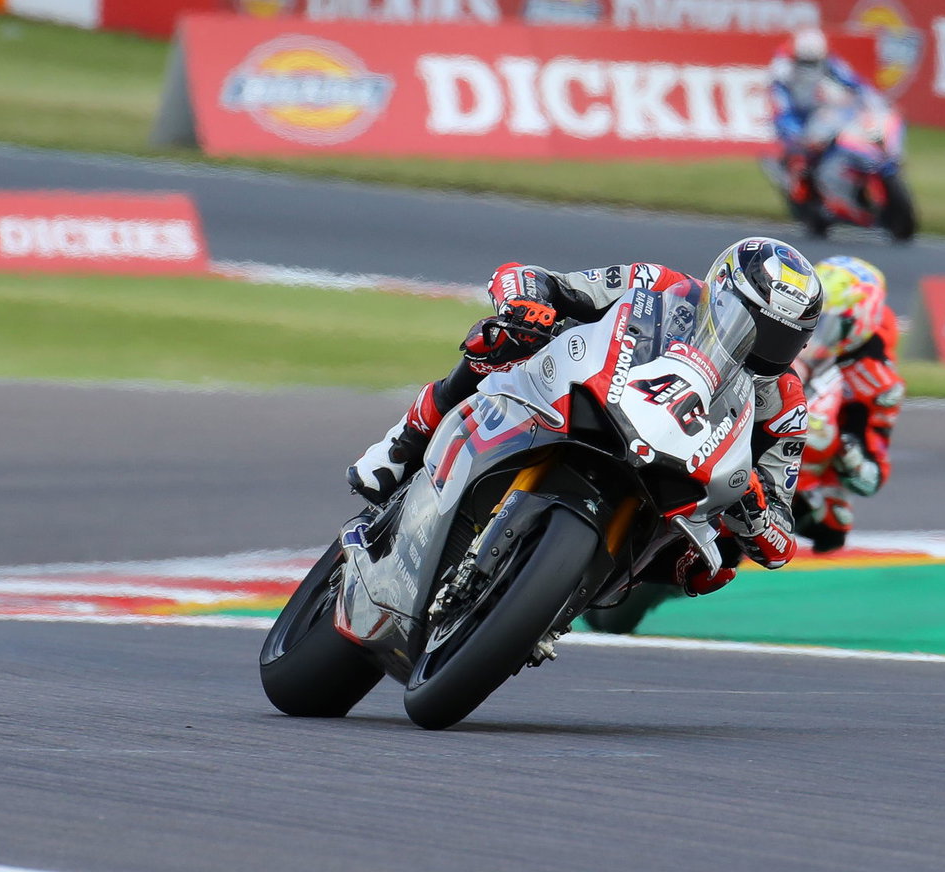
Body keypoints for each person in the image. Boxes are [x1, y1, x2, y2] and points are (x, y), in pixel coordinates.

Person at [347, 237, 824, 597]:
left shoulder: (785, 404)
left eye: (780, 339)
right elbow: (537, 279)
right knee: (497, 343)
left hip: (678, 477)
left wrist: (757, 510)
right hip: (592, 391)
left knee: (716, 565)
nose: (759, 345)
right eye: (753, 324)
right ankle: (400, 447)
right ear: (720, 293)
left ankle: (564, 595)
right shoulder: (660, 284)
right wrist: (524, 305)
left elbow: (781, 539)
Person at [792, 255, 904, 553]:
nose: (814, 333)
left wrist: (850, 455)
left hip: (810, 452)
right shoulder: (782, 322)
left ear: (858, 322)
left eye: (825, 323)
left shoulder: (876, 380)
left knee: (831, 526)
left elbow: (872, 475)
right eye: (810, 316)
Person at [768, 27, 872, 222]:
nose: (810, 67)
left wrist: (871, 100)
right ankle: (803, 194)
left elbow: (853, 82)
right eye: (805, 62)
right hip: (796, 119)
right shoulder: (782, 70)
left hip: (822, 115)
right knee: (800, 160)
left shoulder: (830, 62)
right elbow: (781, 108)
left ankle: (852, 184)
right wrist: (795, 134)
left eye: (813, 62)